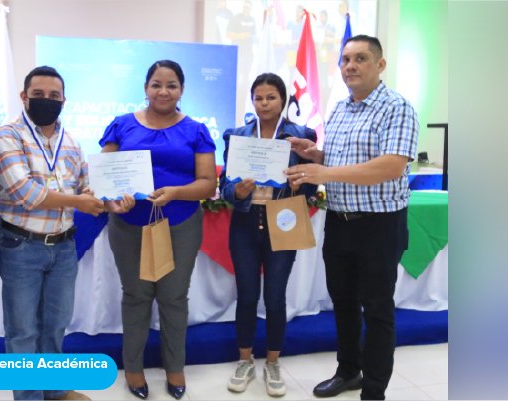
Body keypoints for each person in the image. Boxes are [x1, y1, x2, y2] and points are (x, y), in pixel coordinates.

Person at [285, 35, 419, 400]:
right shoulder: (340, 109)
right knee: (342, 304)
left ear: (380, 65)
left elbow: (391, 166)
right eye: (345, 60)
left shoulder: (397, 107)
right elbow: (343, 162)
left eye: (360, 58)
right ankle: (348, 371)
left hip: (379, 224)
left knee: (377, 309)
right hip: (340, 223)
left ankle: (374, 391)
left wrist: (324, 174)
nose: (350, 66)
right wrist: (316, 155)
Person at [0, 66, 126, 401]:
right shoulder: (8, 135)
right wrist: (79, 200)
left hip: (63, 247)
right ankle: (29, 397)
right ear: (24, 97)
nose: (47, 101)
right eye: (38, 95)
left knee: (55, 325)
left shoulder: (72, 143)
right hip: (21, 246)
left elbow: (86, 186)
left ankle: (55, 389)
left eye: (54, 96)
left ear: (64, 100)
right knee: (22, 331)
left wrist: (110, 201)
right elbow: (25, 193)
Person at [99, 60, 216, 400]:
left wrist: (176, 193)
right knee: (135, 297)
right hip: (129, 225)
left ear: (181, 90)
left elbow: (208, 183)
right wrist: (111, 201)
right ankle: (133, 370)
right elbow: (105, 178)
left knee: (174, 298)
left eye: (171, 85)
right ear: (145, 88)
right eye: (156, 84)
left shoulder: (195, 130)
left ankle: (175, 368)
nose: (163, 91)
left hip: (179, 224)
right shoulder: (121, 126)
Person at [220, 73, 317, 397]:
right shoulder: (236, 136)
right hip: (246, 223)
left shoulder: (301, 135)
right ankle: (245, 360)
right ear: (252, 101)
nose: (264, 103)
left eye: (271, 97)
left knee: (275, 297)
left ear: (283, 100)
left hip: (284, 220)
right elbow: (226, 189)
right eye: (259, 98)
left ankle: (273, 363)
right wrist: (238, 189)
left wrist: (298, 185)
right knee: (247, 296)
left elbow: (312, 184)